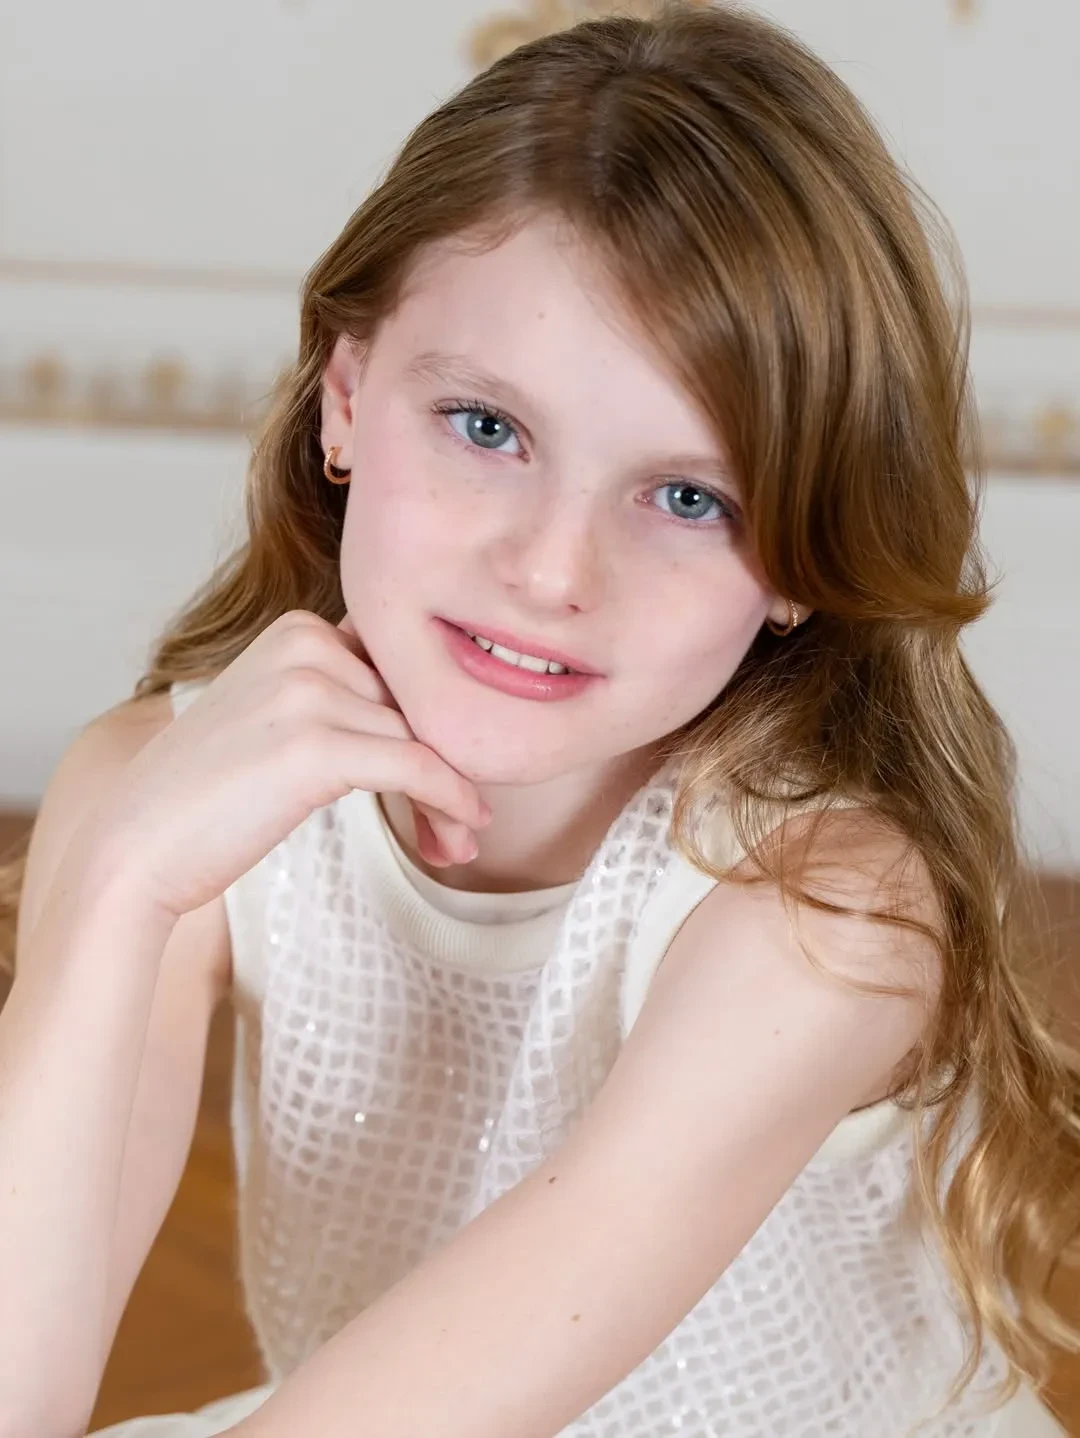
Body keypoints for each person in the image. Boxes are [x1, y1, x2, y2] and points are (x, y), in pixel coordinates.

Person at [1, 3, 1077, 1435]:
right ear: (344, 397)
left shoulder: (822, 910)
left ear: (802, 565)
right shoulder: (163, 788)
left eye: (689, 497)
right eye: (487, 428)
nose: (554, 572)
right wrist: (118, 884)